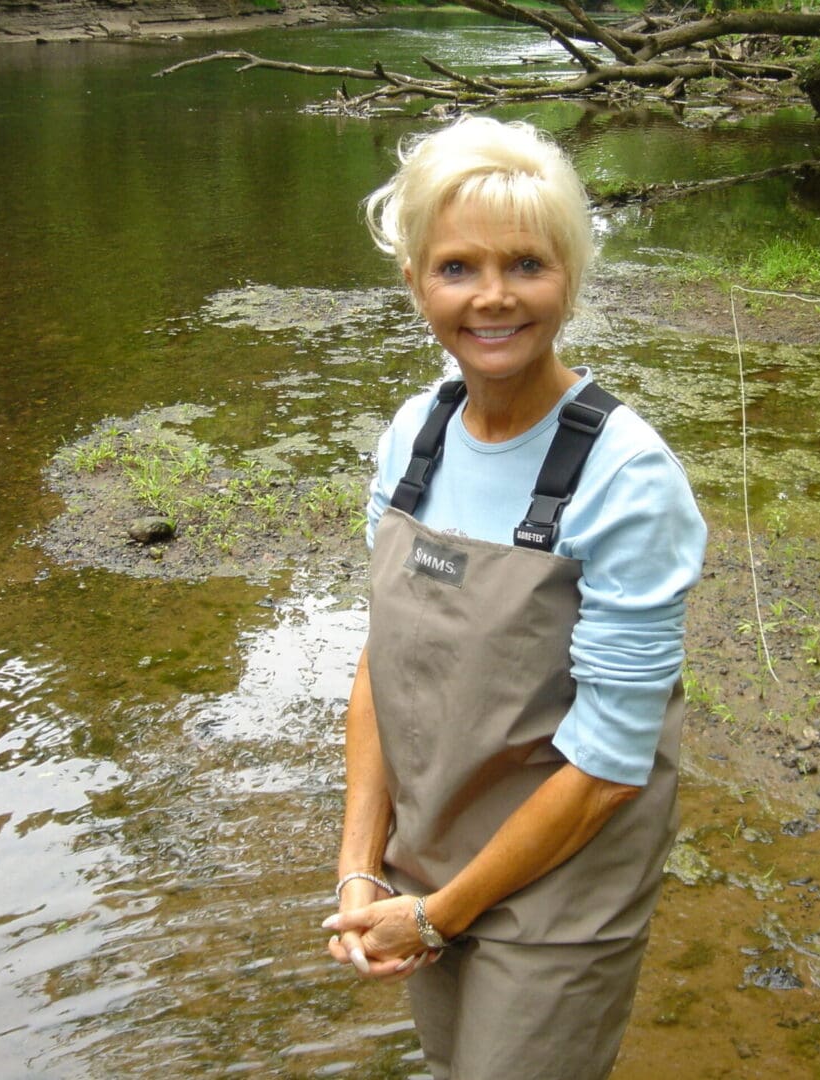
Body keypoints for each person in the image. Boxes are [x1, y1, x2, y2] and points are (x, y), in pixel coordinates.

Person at [321, 116, 707, 1080]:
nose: (492, 298)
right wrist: (363, 866)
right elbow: (384, 666)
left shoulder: (629, 477)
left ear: (569, 279)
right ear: (415, 281)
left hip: (565, 882)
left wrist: (437, 916)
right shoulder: (414, 435)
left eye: (526, 264)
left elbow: (613, 764)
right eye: (457, 268)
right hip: (432, 852)